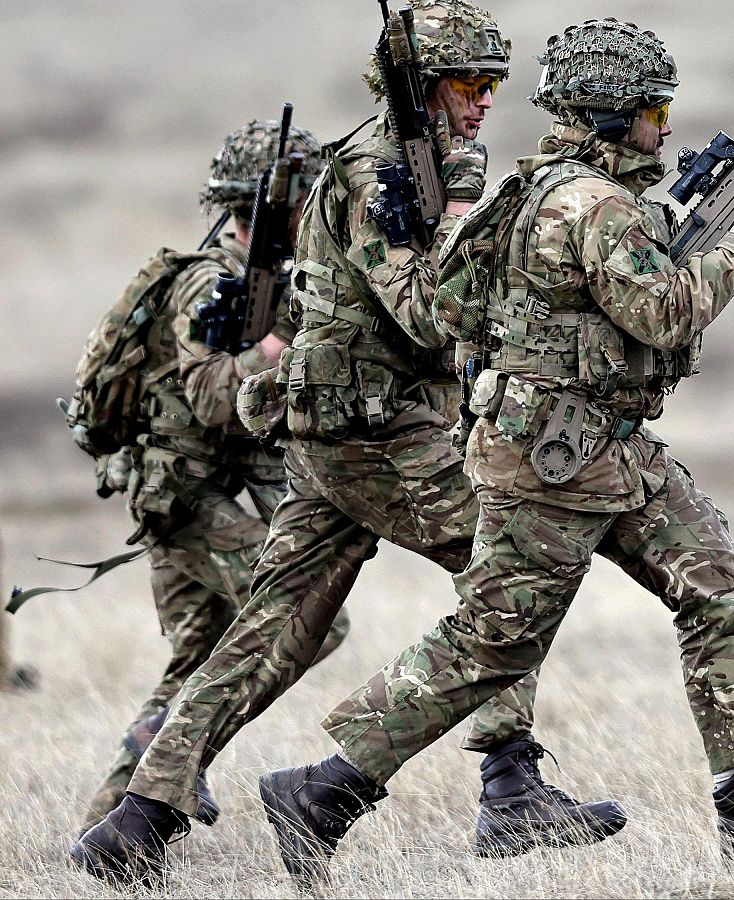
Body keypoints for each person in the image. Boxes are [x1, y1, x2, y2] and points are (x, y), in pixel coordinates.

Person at [256, 18, 734, 886]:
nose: (664, 127)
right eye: (654, 110)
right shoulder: (590, 204)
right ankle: (323, 791)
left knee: (718, 587)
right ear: (612, 115)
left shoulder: (544, 189)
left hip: (611, 446)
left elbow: (469, 307)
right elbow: (666, 313)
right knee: (491, 645)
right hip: (552, 459)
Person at [71, 3, 617, 887]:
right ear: (423, 85)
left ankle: (136, 821)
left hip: (340, 432)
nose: (485, 100)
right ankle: (508, 785)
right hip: (374, 433)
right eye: (468, 83)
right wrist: (468, 219)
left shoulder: (414, 163)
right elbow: (428, 314)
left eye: (492, 83)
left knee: (270, 634)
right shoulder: (379, 171)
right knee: (511, 574)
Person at [75, 119, 350, 836]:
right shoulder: (210, 283)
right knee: (310, 616)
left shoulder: (272, 279)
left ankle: (112, 835)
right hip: (187, 499)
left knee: (198, 657)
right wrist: (281, 345)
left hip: (208, 492)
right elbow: (213, 398)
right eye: (302, 197)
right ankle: (171, 750)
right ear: (264, 204)